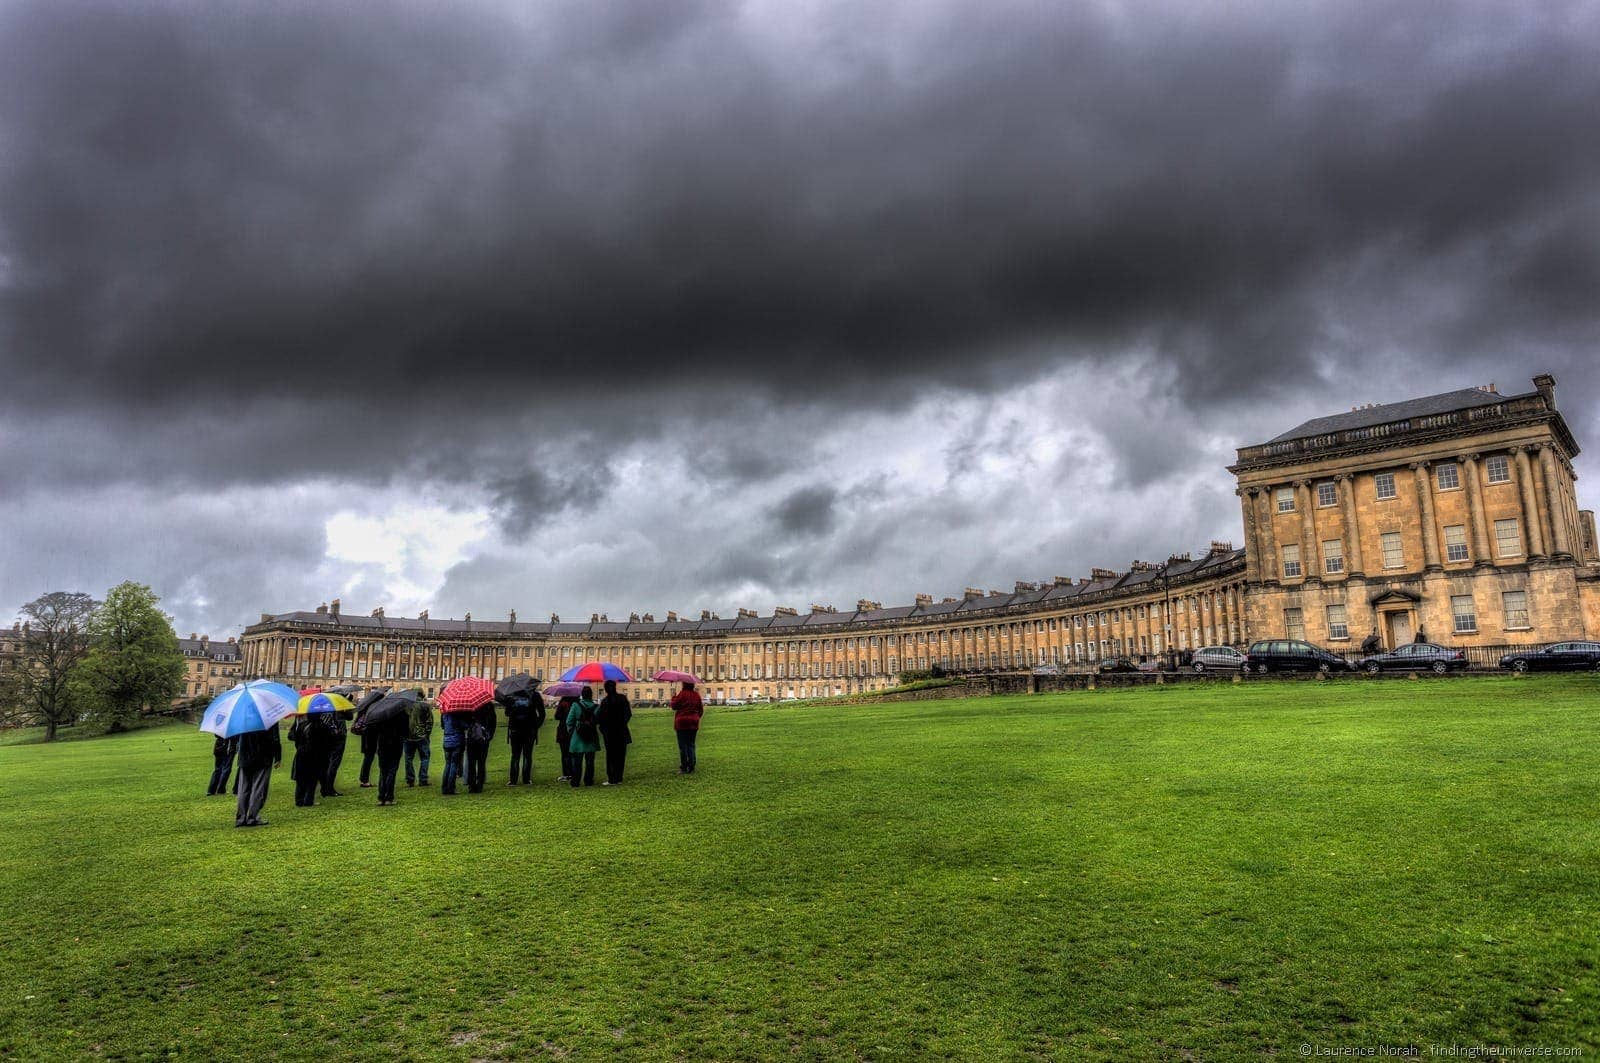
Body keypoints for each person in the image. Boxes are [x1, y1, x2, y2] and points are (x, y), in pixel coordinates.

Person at [234, 722, 282, 828]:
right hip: (263, 755)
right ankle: (252, 817)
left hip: (245, 756)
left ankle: (241, 818)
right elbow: (275, 738)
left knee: (243, 788)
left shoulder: (243, 716)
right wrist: (278, 756)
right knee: (258, 787)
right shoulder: (269, 716)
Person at [288, 712, 333, 807]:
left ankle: (299, 800)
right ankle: (308, 800)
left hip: (302, 754)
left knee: (301, 779)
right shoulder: (323, 727)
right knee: (312, 779)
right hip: (316, 755)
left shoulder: (301, 725)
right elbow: (329, 742)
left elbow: (291, 736)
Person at [596, 679, 632, 786]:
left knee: (611, 755)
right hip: (621, 731)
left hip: (609, 732)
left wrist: (603, 729)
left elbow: (599, 718)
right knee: (620, 755)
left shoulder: (605, 702)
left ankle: (612, 778)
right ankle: (619, 778)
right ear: (615, 687)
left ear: (606, 689)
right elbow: (628, 714)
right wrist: (622, 724)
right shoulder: (622, 698)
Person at [504, 691, 544, 785]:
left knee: (515, 756)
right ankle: (526, 779)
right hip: (529, 730)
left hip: (515, 729)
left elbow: (507, 713)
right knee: (527, 755)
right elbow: (542, 713)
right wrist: (536, 725)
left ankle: (513, 780)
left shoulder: (512, 696)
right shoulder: (534, 695)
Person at [565, 687, 601, 788]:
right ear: (591, 695)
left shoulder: (576, 705)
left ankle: (576, 781)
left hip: (578, 735)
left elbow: (569, 721)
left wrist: (571, 731)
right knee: (590, 761)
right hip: (591, 735)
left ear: (582, 695)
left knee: (577, 761)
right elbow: (598, 721)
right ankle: (588, 780)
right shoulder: (596, 707)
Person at [375, 709, 408, 806]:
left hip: (383, 744)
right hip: (395, 745)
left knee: (383, 772)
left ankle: (381, 797)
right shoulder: (401, 714)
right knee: (391, 771)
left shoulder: (380, 714)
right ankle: (389, 797)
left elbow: (376, 729)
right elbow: (405, 731)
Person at [671, 680, 704, 774]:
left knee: (683, 746)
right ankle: (692, 766)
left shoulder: (681, 694)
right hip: (693, 723)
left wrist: (673, 696)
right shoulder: (696, 695)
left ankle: (684, 767)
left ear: (684, 684)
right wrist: (696, 717)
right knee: (691, 745)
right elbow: (701, 710)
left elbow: (674, 706)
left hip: (682, 723)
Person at [465, 700, 497, 794]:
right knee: (481, 762)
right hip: (483, 737)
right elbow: (493, 721)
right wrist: (490, 735)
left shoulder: (469, 704)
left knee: (471, 762)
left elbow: (466, 722)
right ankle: (479, 785)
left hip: (472, 737)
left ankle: (471, 785)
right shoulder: (488, 705)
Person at [405, 694, 434, 787]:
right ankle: (423, 779)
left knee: (408, 758)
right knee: (425, 758)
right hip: (422, 736)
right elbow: (429, 722)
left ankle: (410, 779)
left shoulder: (406, 705)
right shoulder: (425, 706)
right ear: (422, 695)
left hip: (408, 736)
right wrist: (427, 734)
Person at [322, 709, 349, 797]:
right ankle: (329, 788)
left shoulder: (322, 707)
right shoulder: (339, 707)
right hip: (338, 737)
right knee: (333, 763)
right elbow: (349, 716)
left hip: (326, 737)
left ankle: (325, 787)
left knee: (327, 763)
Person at [440, 709, 466, 796]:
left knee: (448, 764)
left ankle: (444, 788)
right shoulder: (457, 715)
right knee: (454, 765)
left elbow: (443, 726)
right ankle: (451, 787)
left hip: (447, 741)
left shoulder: (444, 714)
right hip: (456, 741)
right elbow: (465, 725)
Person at [554, 695, 576, 782]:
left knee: (564, 753)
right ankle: (574, 773)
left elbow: (557, 716)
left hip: (563, 730)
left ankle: (566, 774)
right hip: (573, 730)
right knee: (573, 753)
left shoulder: (563, 703)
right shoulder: (576, 703)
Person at [356, 704, 379, 788]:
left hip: (366, 738)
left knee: (367, 758)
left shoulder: (364, 711)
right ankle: (364, 780)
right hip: (370, 738)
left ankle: (363, 779)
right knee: (368, 759)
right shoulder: (370, 713)